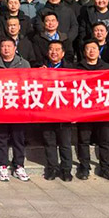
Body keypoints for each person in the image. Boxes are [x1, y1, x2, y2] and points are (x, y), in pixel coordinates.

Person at [75, 40, 109, 181]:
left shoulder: (108, 68)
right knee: (83, 140)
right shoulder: (76, 68)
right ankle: (84, 167)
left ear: (99, 51)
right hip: (84, 110)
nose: (91, 51)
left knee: (104, 141)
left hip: (102, 110)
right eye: (88, 48)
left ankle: (105, 169)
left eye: (94, 48)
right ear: (84, 52)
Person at [0, 38, 31, 183]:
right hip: (0, 108)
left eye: (9, 46)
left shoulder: (24, 64)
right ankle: (2, 165)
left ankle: (19, 165)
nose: (6, 49)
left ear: (15, 48)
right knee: (0, 138)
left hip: (18, 108)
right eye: (3, 46)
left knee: (18, 138)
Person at [39, 41, 75, 182]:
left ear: (63, 53)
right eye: (51, 49)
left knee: (65, 143)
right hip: (47, 112)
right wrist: (39, 74)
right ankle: (52, 168)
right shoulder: (41, 68)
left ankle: (66, 170)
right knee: (49, 142)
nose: (54, 52)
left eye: (57, 49)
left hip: (65, 112)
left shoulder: (70, 69)